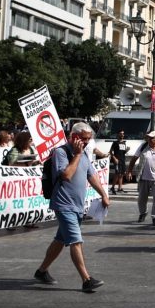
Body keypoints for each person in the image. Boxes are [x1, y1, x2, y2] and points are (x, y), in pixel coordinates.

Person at [34, 122, 110, 291]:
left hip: (77, 206)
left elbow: (92, 176)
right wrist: (76, 155)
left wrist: (104, 194)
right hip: (63, 204)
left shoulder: (83, 154)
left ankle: (41, 271)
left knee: (60, 240)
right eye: (83, 139)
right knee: (76, 240)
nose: (86, 142)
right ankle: (86, 279)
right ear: (73, 136)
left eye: (89, 139)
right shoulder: (61, 152)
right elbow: (66, 175)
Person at [128, 131, 155, 223]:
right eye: (148, 138)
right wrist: (129, 171)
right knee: (142, 199)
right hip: (143, 177)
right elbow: (134, 158)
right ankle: (143, 213)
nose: (149, 140)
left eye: (151, 138)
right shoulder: (143, 146)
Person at [108, 131, 127, 195]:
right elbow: (110, 152)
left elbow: (123, 152)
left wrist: (127, 150)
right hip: (117, 160)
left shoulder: (124, 143)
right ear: (118, 134)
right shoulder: (115, 143)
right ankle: (112, 187)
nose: (122, 135)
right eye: (121, 134)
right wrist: (114, 158)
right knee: (117, 174)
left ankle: (120, 188)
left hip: (122, 160)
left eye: (123, 134)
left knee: (121, 174)